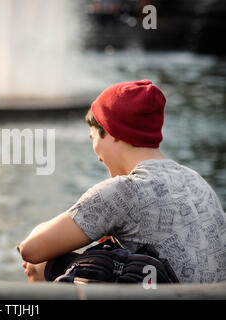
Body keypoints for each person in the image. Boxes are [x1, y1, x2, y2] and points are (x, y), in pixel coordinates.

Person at [19, 79, 226, 283]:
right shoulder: (196, 180)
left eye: (93, 138)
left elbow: (31, 250)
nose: (98, 155)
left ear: (111, 132)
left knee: (41, 264)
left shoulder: (124, 190)